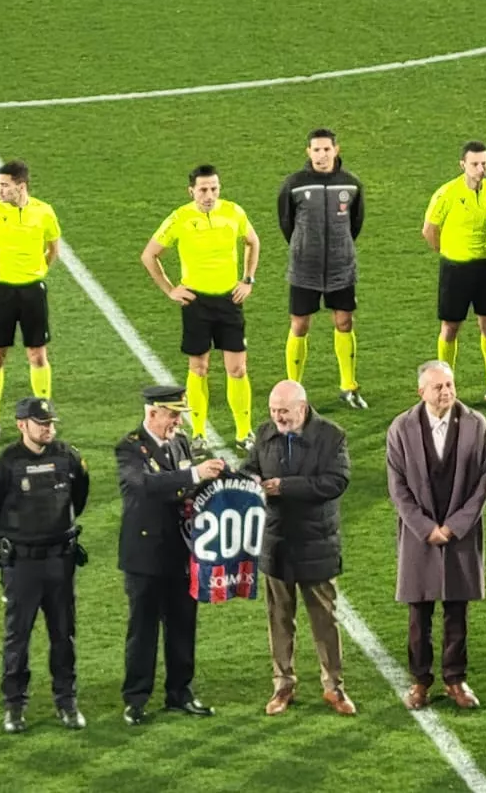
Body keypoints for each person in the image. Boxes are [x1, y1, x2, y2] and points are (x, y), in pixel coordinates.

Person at [385, 361, 486, 710]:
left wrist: (454, 526)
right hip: (420, 537)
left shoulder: (477, 426)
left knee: (456, 611)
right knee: (418, 614)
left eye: (449, 385)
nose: (446, 392)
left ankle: (455, 679)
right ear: (422, 392)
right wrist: (425, 528)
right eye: (438, 387)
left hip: (459, 534)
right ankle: (420, 681)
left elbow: (483, 484)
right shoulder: (401, 429)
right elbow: (397, 487)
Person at [241, 380, 356, 715]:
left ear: (302, 408)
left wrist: (285, 487)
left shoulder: (331, 436)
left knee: (324, 620)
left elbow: (337, 481)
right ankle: (282, 685)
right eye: (274, 411)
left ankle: (334, 687)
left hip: (316, 542)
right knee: (279, 618)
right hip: (276, 543)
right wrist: (249, 480)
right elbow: (250, 468)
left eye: (285, 411)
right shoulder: (264, 434)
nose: (278, 417)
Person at [0, 397, 90, 732]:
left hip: (60, 560)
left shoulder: (67, 457)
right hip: (22, 564)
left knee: (63, 634)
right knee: (18, 638)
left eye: (51, 423)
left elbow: (79, 497)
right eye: (42, 423)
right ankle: (14, 707)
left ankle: (67, 702)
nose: (48, 429)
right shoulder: (4, 465)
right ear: (21, 424)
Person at [116, 385, 227, 725]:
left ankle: (180, 693)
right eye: (173, 415)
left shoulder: (178, 443)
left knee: (183, 626)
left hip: (181, 551)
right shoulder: (129, 448)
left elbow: (186, 488)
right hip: (145, 556)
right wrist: (194, 474)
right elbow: (143, 485)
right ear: (153, 413)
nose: (178, 422)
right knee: (143, 629)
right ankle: (136, 699)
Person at [140, 164, 262, 452]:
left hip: (229, 300)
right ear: (191, 190)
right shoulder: (180, 218)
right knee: (199, 367)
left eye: (214, 188)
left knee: (238, 369)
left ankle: (244, 433)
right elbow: (149, 255)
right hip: (196, 303)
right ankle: (198, 433)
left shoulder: (233, 212)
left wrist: (248, 279)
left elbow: (252, 241)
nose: (209, 195)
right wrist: (171, 289)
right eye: (204, 189)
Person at [278, 128, 367, 409]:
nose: (321, 155)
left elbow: (355, 223)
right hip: (305, 268)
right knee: (300, 324)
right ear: (308, 152)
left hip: (342, 266)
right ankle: (294, 391)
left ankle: (348, 386)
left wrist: (340, 248)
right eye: (316, 150)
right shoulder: (294, 184)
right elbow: (286, 223)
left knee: (344, 322)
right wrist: (304, 247)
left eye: (326, 149)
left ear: (336, 150)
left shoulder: (351, 183)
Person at [0, 160, 61, 440]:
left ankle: (44, 413)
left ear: (21, 186)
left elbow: (53, 248)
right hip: (2, 292)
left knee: (37, 354)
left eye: (4, 185)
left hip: (33, 291)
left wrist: (36, 273)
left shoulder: (44, 212)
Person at [422, 142, 486, 408]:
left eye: (484, 163)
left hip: (485, 267)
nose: (480, 168)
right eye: (475, 164)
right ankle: (442, 386)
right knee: (450, 327)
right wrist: (449, 251)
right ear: (463, 165)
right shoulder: (446, 194)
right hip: (455, 269)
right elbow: (429, 230)